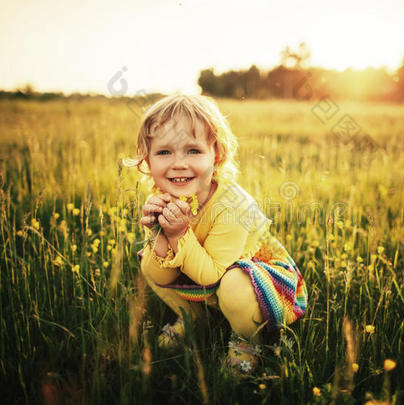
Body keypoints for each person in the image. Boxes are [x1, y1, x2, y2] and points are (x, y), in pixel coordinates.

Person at [129, 94, 306, 373]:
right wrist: (161, 235)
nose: (178, 163)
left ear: (217, 155)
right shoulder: (166, 198)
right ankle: (193, 318)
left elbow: (210, 274)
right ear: (148, 161)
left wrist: (178, 235)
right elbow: (159, 275)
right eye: (164, 152)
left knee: (233, 284)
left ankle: (248, 340)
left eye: (193, 151)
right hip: (207, 274)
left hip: (256, 279)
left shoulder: (232, 205)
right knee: (149, 260)